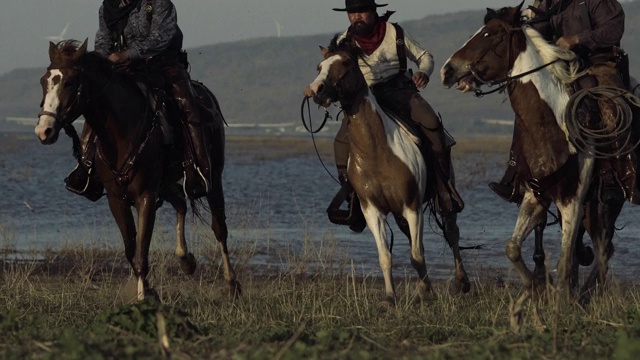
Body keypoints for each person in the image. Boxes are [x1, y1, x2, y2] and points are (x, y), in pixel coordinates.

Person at [327, 0, 464, 231]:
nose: (356, 17)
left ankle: (443, 189)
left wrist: (423, 72)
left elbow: (424, 56)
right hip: (366, 100)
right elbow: (336, 75)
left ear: (373, 12)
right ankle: (354, 199)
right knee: (341, 143)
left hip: (400, 92)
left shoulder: (396, 33)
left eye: (361, 12)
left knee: (431, 123)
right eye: (352, 13)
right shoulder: (343, 42)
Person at [489, 0, 636, 205]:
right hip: (559, 65)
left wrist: (577, 38)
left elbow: (613, 30)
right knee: (528, 109)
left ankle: (616, 176)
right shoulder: (546, 2)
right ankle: (516, 177)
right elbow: (538, 33)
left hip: (598, 63)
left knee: (610, 107)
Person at [64, 0, 211, 200]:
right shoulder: (108, 8)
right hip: (125, 68)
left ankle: (197, 169)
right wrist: (101, 62)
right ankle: (86, 167)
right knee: (96, 102)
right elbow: (103, 41)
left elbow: (161, 37)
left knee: (187, 103)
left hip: (163, 64)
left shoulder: (159, 3)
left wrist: (127, 54)